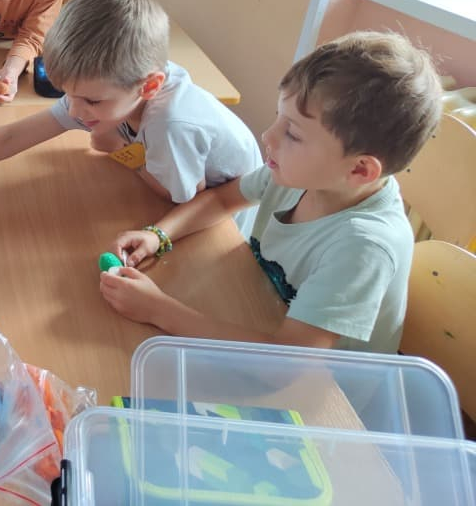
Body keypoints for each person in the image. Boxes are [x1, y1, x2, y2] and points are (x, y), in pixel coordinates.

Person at [101, 31, 442, 354]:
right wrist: (158, 235)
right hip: (262, 320)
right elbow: (222, 199)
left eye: (293, 134)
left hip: (321, 384)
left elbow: (288, 360)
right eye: (280, 117)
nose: (268, 136)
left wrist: (159, 310)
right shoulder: (302, 175)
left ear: (359, 170)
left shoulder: (364, 247)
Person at [0, 0, 261, 239]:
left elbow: (180, 196)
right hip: (183, 176)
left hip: (224, 212)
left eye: (90, 101)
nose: (74, 110)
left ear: (149, 86)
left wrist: (120, 150)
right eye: (67, 94)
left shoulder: (171, 125)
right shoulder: (113, 85)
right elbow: (10, 137)